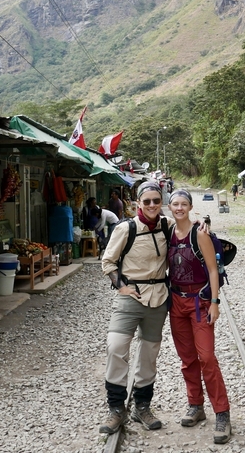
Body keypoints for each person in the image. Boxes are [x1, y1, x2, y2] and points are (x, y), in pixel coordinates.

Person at [99, 180, 170, 435]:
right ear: (138, 203)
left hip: (158, 298)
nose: (152, 205)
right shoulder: (125, 228)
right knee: (116, 347)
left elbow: (188, 233)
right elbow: (108, 261)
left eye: (156, 201)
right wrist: (120, 286)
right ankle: (116, 408)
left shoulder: (167, 226)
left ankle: (142, 406)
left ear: (162, 203)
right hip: (130, 297)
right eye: (147, 201)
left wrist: (203, 224)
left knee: (149, 354)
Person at [166, 189, 231, 444]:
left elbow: (213, 271)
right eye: (175, 204)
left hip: (199, 302)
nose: (179, 208)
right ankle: (195, 405)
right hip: (176, 303)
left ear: (190, 206)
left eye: (184, 204)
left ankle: (222, 413)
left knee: (206, 357)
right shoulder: (167, 232)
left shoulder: (199, 233)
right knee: (187, 358)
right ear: (169, 207)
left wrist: (215, 302)